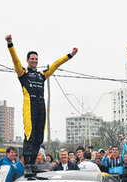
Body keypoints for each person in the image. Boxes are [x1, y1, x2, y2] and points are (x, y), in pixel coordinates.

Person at [6, 34, 78, 170]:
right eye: (32, 59)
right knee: (30, 135)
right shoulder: (23, 74)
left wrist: (70, 55)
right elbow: (15, 60)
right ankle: (27, 164)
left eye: (36, 59)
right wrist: (10, 44)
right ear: (27, 60)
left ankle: (32, 163)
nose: (34, 61)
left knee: (39, 138)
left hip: (41, 108)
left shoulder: (42, 75)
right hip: (29, 108)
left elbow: (56, 64)